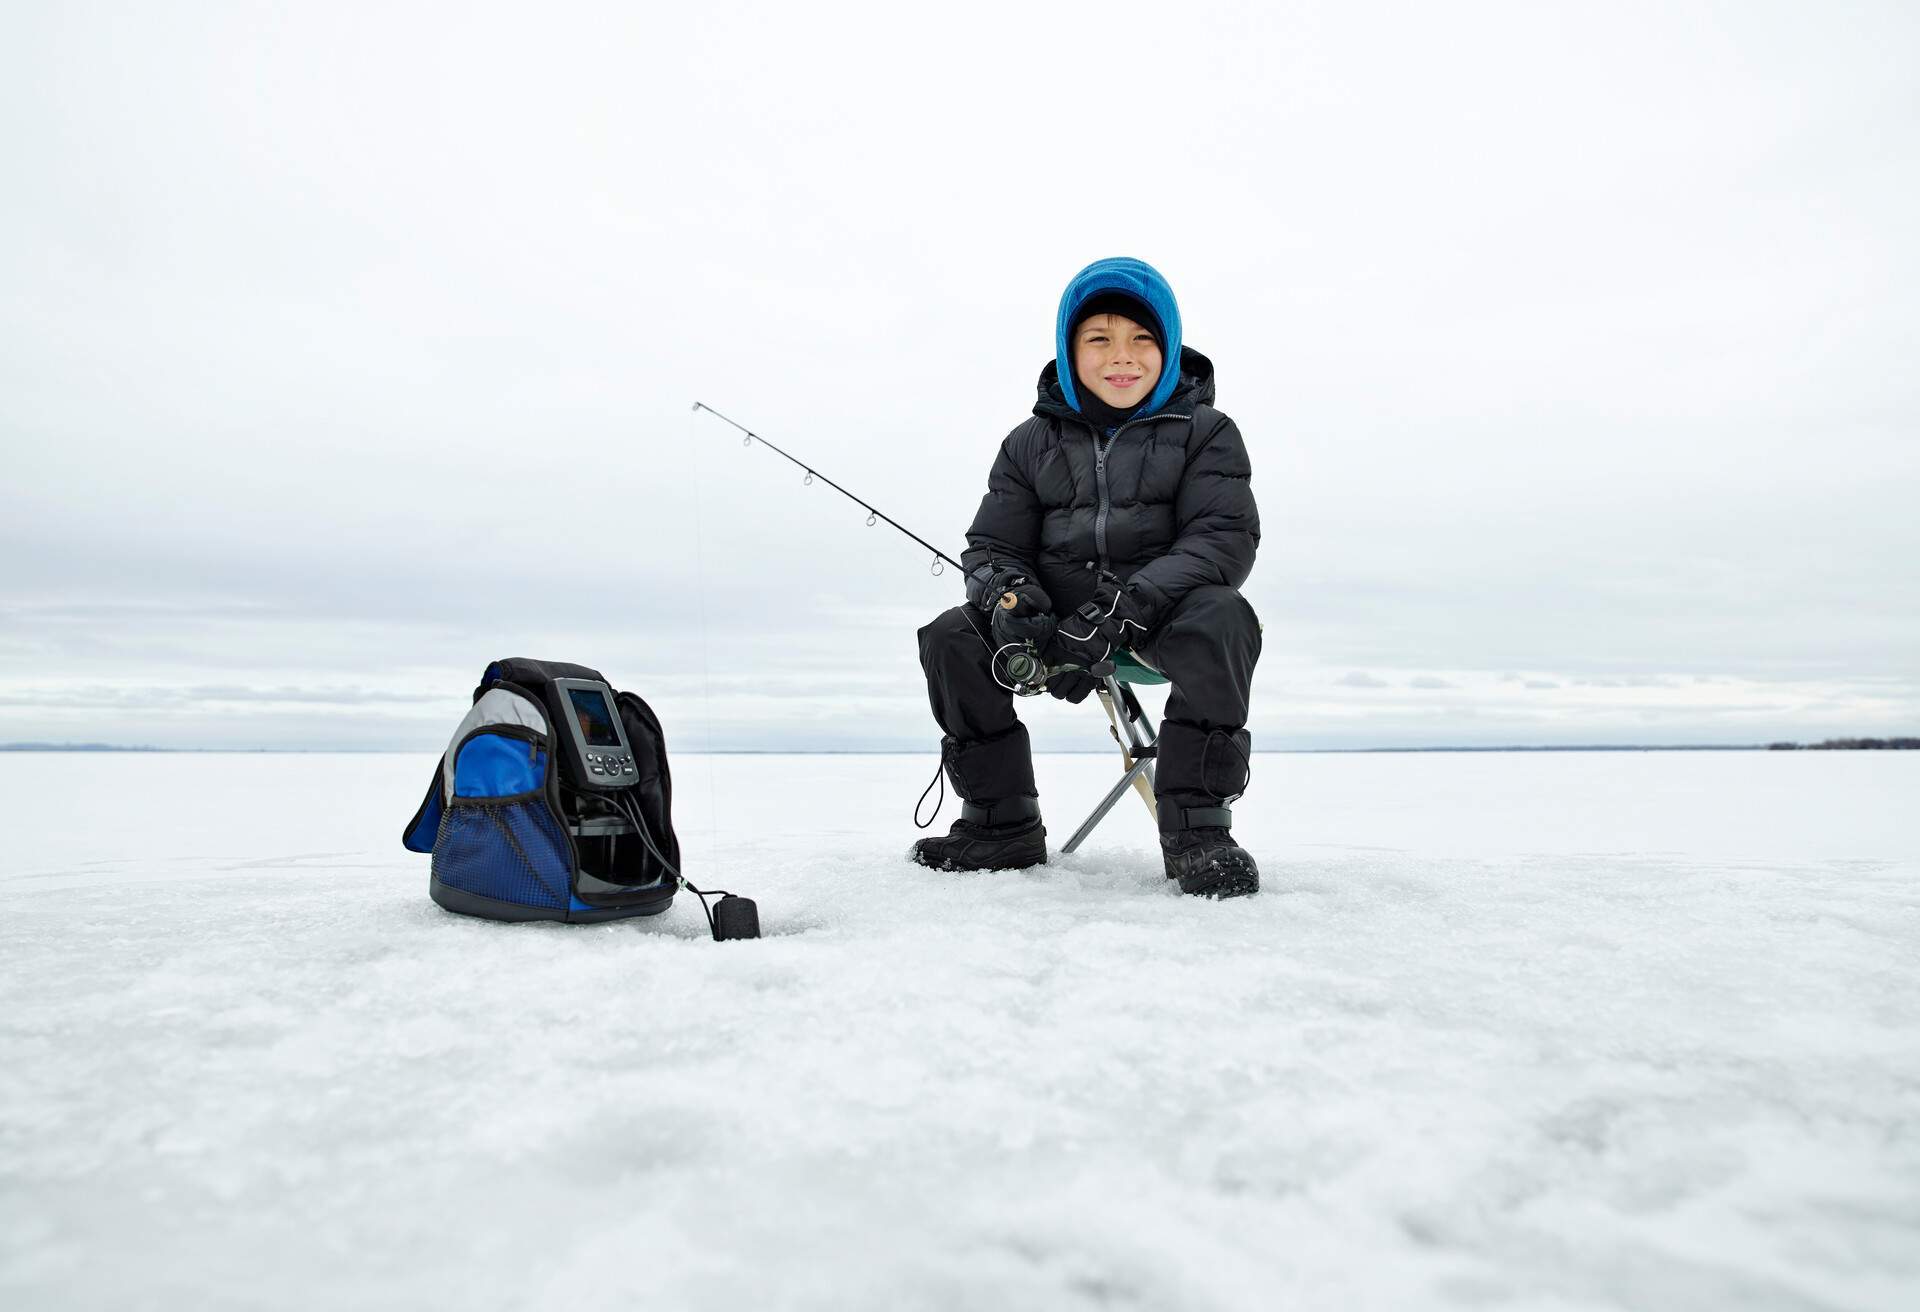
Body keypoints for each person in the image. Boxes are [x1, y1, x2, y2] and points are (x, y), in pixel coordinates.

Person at [910, 257, 1262, 897]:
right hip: (1052, 624)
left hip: (1158, 618)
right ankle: (1000, 825)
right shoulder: (1027, 442)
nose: (1120, 358)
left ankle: (1198, 831)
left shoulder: (1208, 433)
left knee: (1223, 617)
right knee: (951, 636)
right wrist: (1012, 600)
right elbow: (990, 545)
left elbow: (1222, 540)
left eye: (1142, 340)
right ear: (1070, 350)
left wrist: (1122, 610)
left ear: (1170, 347)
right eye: (1099, 339)